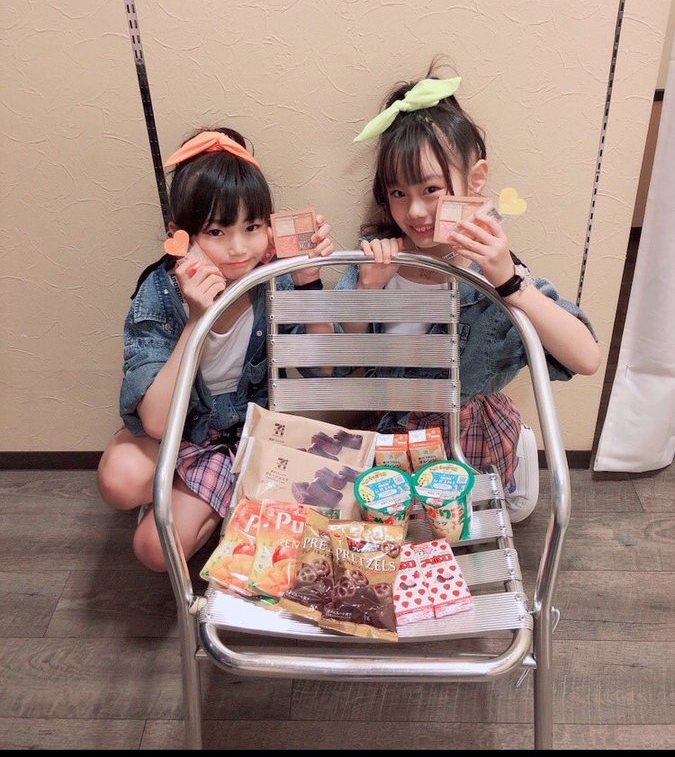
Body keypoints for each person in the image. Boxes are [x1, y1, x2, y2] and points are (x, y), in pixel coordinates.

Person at [338, 58, 601, 520]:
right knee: (388, 531)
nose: (414, 211)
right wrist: (367, 293)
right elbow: (342, 367)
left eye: (431, 189)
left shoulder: (491, 274)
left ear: (475, 180)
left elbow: (586, 357)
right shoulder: (376, 263)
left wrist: (512, 285)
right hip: (392, 430)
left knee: (461, 527)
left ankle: (516, 454)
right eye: (398, 193)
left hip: (470, 433)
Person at [97, 127, 334, 571]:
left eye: (252, 227)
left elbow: (323, 372)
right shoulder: (160, 292)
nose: (239, 248)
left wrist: (309, 283)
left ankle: (214, 498)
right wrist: (195, 321)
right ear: (181, 237)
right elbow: (156, 423)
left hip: (245, 433)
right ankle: (200, 489)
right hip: (180, 429)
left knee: (154, 550)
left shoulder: (275, 279)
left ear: (269, 226)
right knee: (119, 481)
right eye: (216, 231)